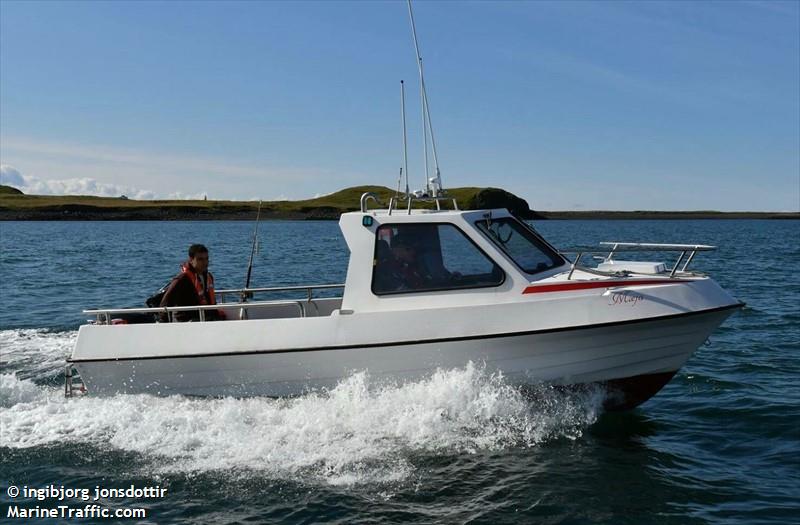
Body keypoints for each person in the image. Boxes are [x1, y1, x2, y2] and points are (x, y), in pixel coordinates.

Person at [159, 244, 226, 322]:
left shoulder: (208, 277)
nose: (205, 262)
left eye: (206, 258)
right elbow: (165, 303)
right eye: (200, 259)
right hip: (188, 321)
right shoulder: (182, 279)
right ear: (191, 260)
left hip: (206, 319)